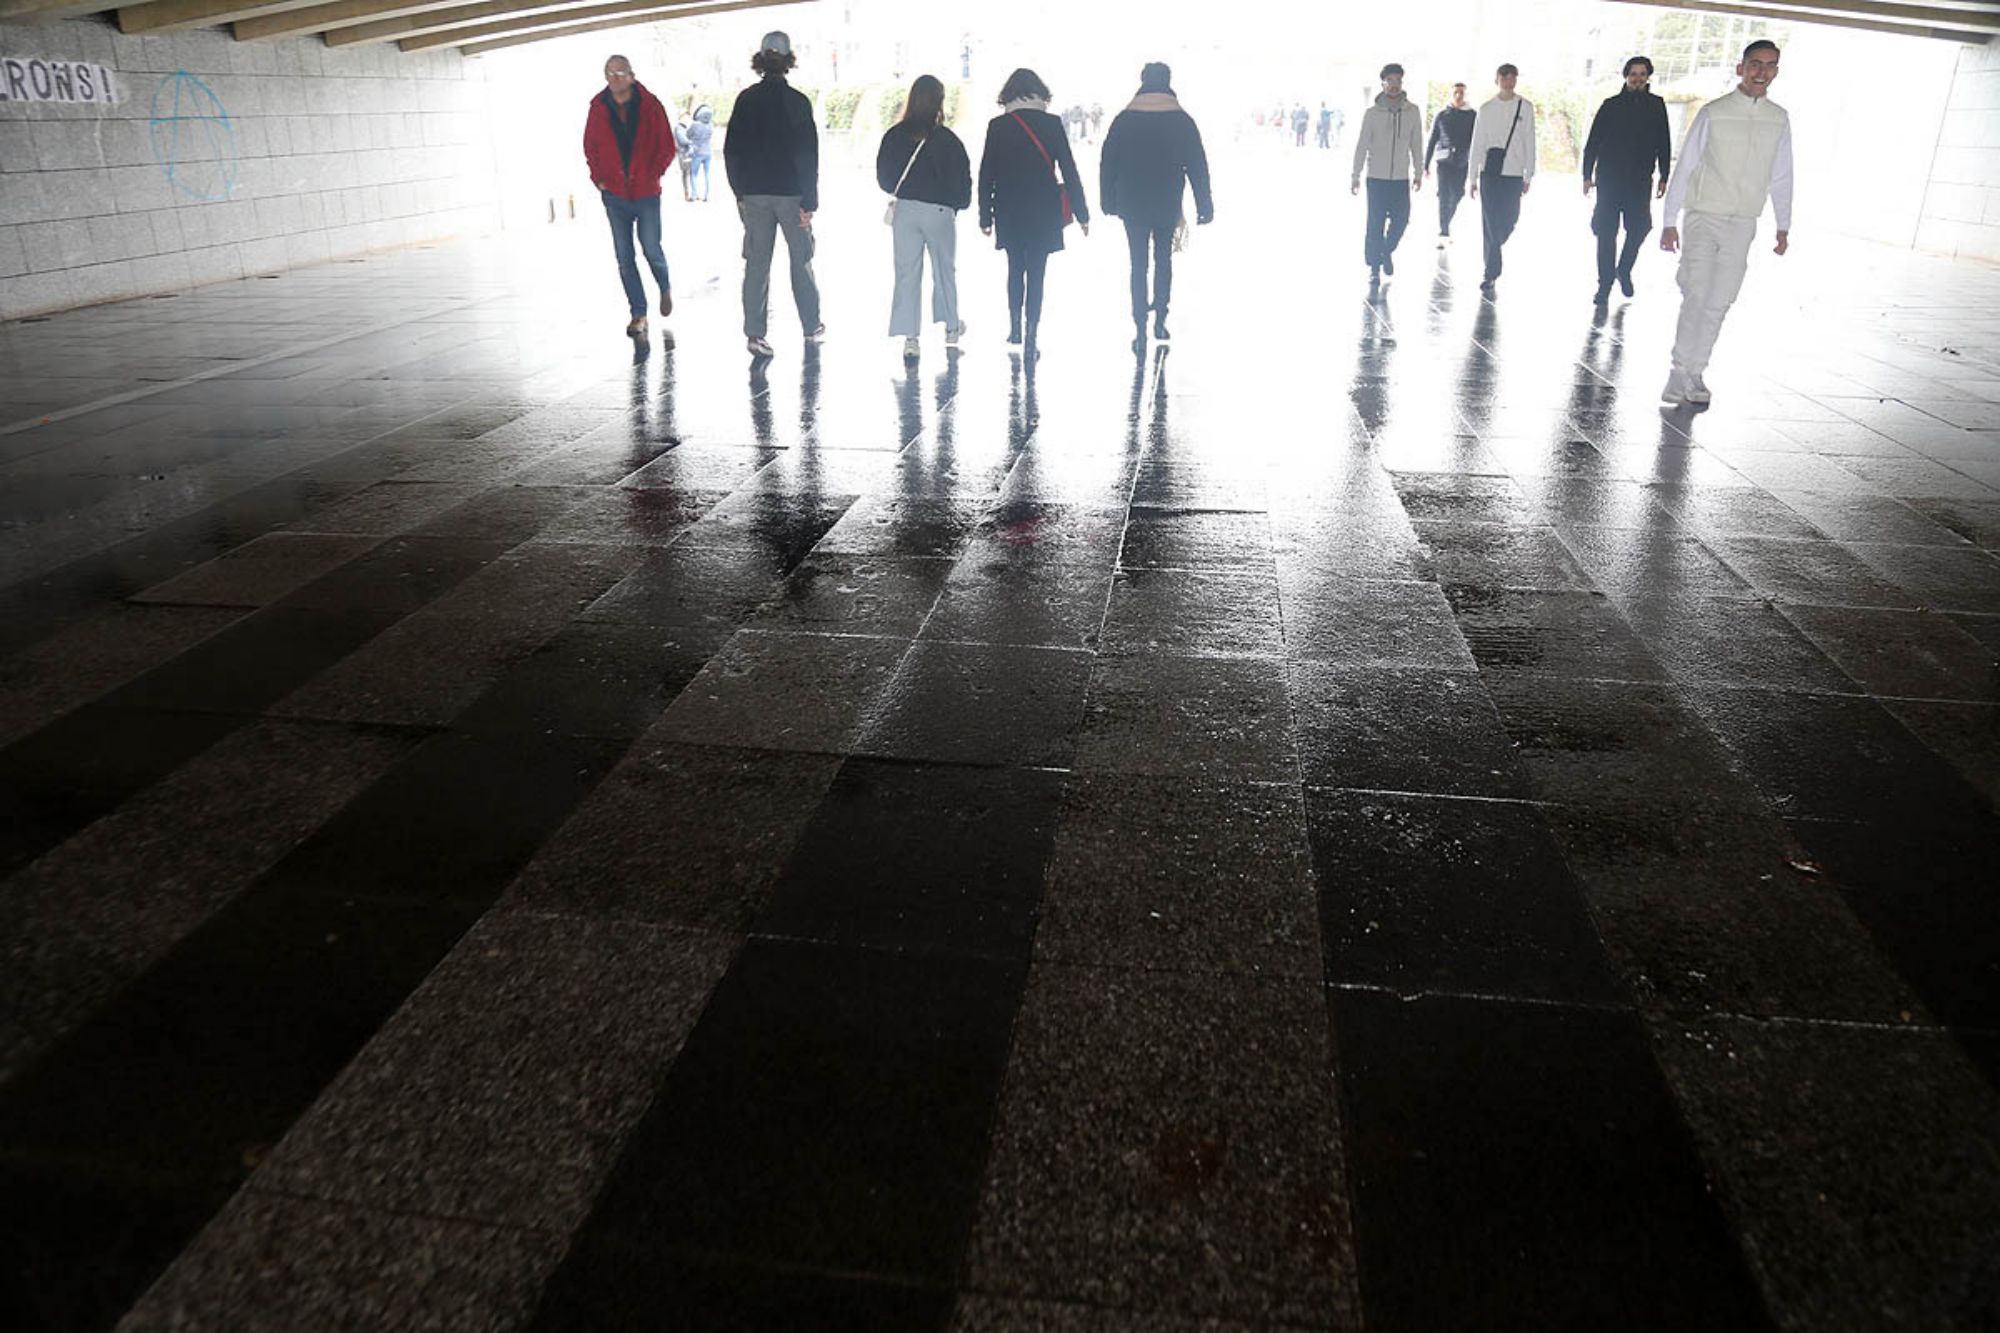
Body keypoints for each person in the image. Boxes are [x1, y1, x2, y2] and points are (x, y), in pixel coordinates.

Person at [1659, 39, 1793, 407]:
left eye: (1770, 65)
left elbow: (1783, 174)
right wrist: (1669, 220)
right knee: (1697, 292)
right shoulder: (1714, 113)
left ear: (1776, 71)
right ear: (1741, 68)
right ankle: (1678, 369)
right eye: (1755, 64)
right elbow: (1687, 164)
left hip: (1743, 221)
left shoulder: (1778, 119)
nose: (1761, 72)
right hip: (1704, 215)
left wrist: (1783, 224)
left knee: (1720, 300)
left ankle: (1696, 372)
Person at [1100, 61, 1214, 352]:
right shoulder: (1182, 120)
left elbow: (1108, 161)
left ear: (1143, 81)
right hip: (1167, 200)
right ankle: (1160, 319)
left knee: (1138, 264)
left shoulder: (1124, 119)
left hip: (1132, 202)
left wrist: (1107, 200)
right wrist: (1204, 205)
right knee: (1164, 260)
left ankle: (1139, 324)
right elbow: (1197, 164)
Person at [978, 68, 1091, 356]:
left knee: (1015, 267)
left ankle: (1015, 327)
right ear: (1040, 93)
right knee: (1037, 271)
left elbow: (986, 173)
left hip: (1009, 208)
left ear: (1008, 94)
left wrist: (985, 216)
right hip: (1044, 209)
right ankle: (1031, 331)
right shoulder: (1051, 124)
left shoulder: (998, 126)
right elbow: (1069, 169)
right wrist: (1082, 213)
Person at [724, 31, 822, 358]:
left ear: (761, 60)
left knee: (756, 265)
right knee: (801, 261)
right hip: (791, 194)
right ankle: (811, 325)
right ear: (789, 60)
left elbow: (732, 151)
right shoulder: (798, 102)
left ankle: (755, 334)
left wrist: (739, 191)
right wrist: (810, 201)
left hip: (754, 194)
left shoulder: (745, 100)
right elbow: (807, 156)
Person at [878, 74, 972, 361]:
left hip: (906, 211)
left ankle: (911, 339)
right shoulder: (948, 140)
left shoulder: (894, 136)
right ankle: (951, 327)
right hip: (940, 213)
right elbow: (963, 182)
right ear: (939, 102)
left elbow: (884, 177)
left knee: (907, 274)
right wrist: (957, 205)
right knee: (944, 271)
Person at [582, 53, 675, 338]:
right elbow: (590, 146)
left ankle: (664, 287)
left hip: (646, 192)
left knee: (651, 249)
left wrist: (654, 173)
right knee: (624, 256)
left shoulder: (650, 105)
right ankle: (638, 312)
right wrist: (599, 178)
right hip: (615, 194)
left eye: (620, 73)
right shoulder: (598, 107)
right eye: (609, 73)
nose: (614, 79)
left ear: (632, 76)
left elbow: (666, 145)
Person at [1583, 56, 1672, 304]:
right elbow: (1593, 141)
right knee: (1605, 231)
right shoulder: (1611, 105)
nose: (1638, 79)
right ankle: (1604, 284)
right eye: (1633, 74)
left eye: (1642, 74)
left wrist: (1664, 175)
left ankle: (1623, 269)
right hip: (1609, 179)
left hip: (1639, 179)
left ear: (1648, 77)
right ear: (1626, 76)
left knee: (1640, 227)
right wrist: (1586, 175)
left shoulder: (1656, 105)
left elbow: (1664, 141)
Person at [1351, 63, 1423, 283]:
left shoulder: (1412, 111)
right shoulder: (1372, 114)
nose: (1394, 85)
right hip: (1377, 177)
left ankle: (1386, 249)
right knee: (1376, 223)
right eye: (1389, 81)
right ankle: (1374, 267)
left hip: (1400, 177)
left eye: (1398, 81)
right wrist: (1355, 175)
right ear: (1382, 84)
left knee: (1402, 219)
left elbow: (1417, 143)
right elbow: (1362, 144)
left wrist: (1418, 171)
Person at [1469, 63, 1536, 295]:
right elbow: (1477, 143)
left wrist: (1529, 173)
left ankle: (1494, 251)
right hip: (1490, 172)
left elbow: (1530, 141)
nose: (1508, 81)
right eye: (1504, 77)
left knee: (1509, 220)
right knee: (1489, 222)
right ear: (1497, 80)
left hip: (1514, 173)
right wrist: (1472, 178)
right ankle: (1491, 271)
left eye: (1512, 77)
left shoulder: (1525, 107)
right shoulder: (1486, 109)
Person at [1424, 82, 1475, 244]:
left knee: (1458, 193)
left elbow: (1476, 141)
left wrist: (1476, 164)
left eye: (1461, 93)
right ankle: (1444, 230)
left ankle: (1446, 222)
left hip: (1462, 161)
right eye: (1456, 93)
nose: (1459, 95)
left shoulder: (1472, 116)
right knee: (1444, 195)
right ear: (1451, 94)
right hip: (1444, 161)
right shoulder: (1442, 115)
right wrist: (1426, 164)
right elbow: (1433, 139)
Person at [687, 104, 714, 201]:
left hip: (697, 152)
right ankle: (707, 195)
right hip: (708, 152)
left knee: (694, 174)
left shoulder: (695, 125)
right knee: (707, 174)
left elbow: (688, 134)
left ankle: (694, 194)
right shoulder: (711, 125)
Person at [673, 111, 693, 201]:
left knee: (688, 174)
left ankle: (689, 193)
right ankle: (687, 194)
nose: (688, 119)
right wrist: (692, 141)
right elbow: (682, 140)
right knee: (686, 174)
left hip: (685, 153)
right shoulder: (679, 128)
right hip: (683, 153)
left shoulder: (683, 128)